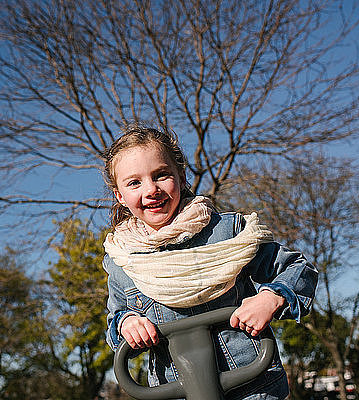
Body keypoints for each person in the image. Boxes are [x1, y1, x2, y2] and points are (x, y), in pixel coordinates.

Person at [103, 124, 318, 400]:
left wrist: (271, 298)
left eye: (161, 175)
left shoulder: (228, 233)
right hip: (175, 391)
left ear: (180, 177)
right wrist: (127, 323)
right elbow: (116, 321)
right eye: (134, 183)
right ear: (120, 196)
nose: (151, 190)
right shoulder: (122, 260)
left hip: (251, 385)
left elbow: (298, 269)